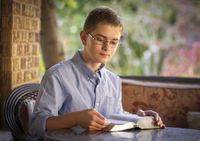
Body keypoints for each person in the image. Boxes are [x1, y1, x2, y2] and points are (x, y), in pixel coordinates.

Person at [29, 6, 164, 139]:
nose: (107, 47)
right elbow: (35, 125)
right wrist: (75, 118)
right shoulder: (57, 75)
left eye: (113, 42)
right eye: (100, 39)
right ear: (83, 38)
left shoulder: (114, 80)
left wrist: (138, 117)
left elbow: (114, 116)